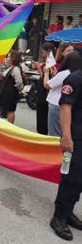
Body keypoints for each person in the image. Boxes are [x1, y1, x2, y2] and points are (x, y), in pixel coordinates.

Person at [50, 54, 82, 241]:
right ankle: (59, 217)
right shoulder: (74, 79)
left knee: (80, 181)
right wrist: (67, 136)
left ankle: (68, 212)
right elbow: (65, 108)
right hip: (76, 138)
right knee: (71, 179)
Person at [44, 52, 78, 137]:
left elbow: (47, 85)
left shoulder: (65, 73)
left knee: (54, 133)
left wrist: (46, 73)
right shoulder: (76, 74)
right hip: (68, 105)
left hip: (56, 104)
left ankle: (54, 149)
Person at [0, 50, 24, 124]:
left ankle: (10, 126)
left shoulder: (15, 69)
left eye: (9, 57)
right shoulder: (12, 67)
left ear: (13, 58)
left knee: (10, 110)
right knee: (8, 110)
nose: (7, 59)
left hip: (11, 92)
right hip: (8, 92)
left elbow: (19, 82)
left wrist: (17, 88)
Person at [34, 42, 55, 135]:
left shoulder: (52, 66)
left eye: (43, 52)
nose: (42, 55)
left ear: (48, 52)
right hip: (42, 97)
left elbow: (47, 83)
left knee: (43, 124)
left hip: (45, 98)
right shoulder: (48, 64)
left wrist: (40, 69)